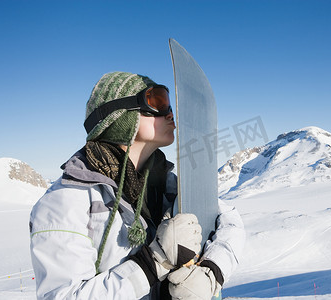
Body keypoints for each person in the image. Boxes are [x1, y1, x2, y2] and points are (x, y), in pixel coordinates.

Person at [29, 71, 245, 299]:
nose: (171, 113)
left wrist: (213, 271)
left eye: (169, 104)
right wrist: (155, 261)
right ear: (120, 117)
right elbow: (64, 295)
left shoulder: (168, 185)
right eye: (158, 101)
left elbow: (230, 220)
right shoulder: (65, 201)